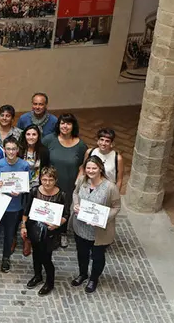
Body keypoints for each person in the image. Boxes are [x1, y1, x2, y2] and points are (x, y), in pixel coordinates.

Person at [71, 156, 121, 294]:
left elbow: (116, 207)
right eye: (88, 168)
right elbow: (75, 193)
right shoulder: (82, 180)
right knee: (82, 253)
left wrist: (102, 219)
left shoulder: (110, 187)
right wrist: (75, 204)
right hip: (81, 226)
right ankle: (82, 274)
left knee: (98, 256)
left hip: (99, 231)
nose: (91, 171)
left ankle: (94, 278)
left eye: (94, 168)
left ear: (100, 169)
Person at [21, 167, 69, 296]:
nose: (47, 183)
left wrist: (57, 224)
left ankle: (50, 282)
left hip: (50, 231)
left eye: (50, 180)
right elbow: (26, 210)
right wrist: (23, 226)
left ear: (55, 180)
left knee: (46, 257)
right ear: (40, 179)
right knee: (36, 254)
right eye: (44, 179)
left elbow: (66, 215)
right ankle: (37, 276)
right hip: (34, 228)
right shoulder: (35, 191)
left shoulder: (61, 194)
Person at [43, 113, 87, 248]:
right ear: (58, 124)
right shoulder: (49, 140)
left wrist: (78, 179)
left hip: (69, 183)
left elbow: (82, 166)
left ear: (73, 126)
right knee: (48, 207)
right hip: (50, 183)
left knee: (65, 208)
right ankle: (46, 232)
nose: (65, 126)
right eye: (62, 123)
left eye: (68, 123)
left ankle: (62, 233)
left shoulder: (80, 145)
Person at [0, 137, 31, 273]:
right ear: (4, 150)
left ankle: (6, 257)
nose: (11, 152)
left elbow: (26, 184)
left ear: (18, 150)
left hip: (14, 206)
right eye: (8, 149)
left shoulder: (24, 165)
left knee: (9, 234)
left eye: (13, 149)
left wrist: (20, 191)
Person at [21, 125, 50, 191]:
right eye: (28, 134)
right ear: (24, 136)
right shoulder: (19, 150)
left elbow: (45, 169)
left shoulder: (44, 151)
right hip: (21, 185)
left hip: (37, 186)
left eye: (34, 134)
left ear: (38, 136)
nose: (31, 137)